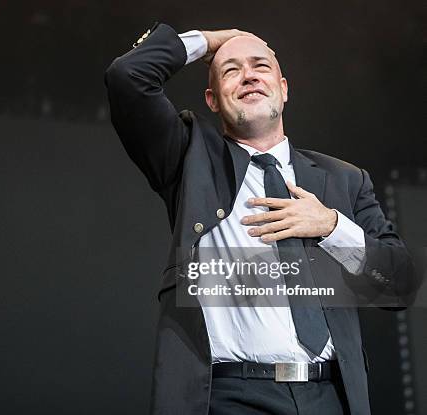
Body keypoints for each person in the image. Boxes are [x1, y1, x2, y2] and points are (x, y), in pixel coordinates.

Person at [104, 22, 415, 415]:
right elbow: (127, 77)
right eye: (231, 70)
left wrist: (333, 227)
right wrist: (210, 41)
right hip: (231, 397)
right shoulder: (189, 157)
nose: (248, 75)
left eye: (260, 65)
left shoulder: (345, 180)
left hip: (330, 395)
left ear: (283, 89)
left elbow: (400, 286)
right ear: (212, 99)